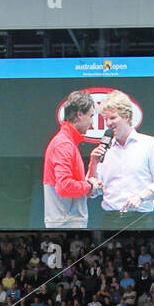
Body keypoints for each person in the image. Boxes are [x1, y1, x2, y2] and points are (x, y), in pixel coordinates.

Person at [89, 90, 154, 222]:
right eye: (105, 119)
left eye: (113, 118)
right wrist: (93, 163)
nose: (108, 123)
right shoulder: (104, 150)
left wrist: (141, 197)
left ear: (126, 116)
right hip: (110, 219)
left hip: (140, 219)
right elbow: (93, 192)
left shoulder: (149, 144)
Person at [42, 90, 100, 229]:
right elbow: (64, 187)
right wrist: (89, 185)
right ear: (79, 114)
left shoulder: (67, 143)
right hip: (67, 225)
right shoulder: (64, 145)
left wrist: (93, 164)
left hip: (67, 224)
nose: (92, 122)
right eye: (91, 116)